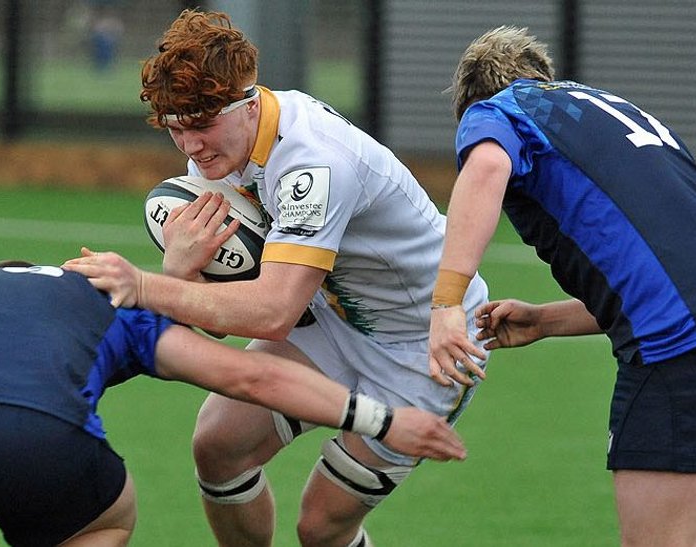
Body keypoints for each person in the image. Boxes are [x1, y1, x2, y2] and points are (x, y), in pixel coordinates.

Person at [62, 9, 492, 547]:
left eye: (200, 124)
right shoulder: (220, 152)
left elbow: (270, 313)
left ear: (247, 101)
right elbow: (223, 318)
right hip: (335, 316)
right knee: (218, 445)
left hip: (424, 340)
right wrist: (181, 268)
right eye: (175, 128)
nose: (190, 146)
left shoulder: (312, 162)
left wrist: (148, 284)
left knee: (321, 527)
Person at [0, 260, 466, 547]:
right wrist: (381, 416)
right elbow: (250, 379)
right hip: (39, 438)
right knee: (106, 518)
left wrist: (175, 270)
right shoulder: (119, 303)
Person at [428, 26, 696, 547]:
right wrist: (546, 320)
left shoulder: (498, 110)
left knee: (654, 532)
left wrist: (447, 304)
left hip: (685, 340)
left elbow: (486, 166)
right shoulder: (610, 112)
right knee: (678, 499)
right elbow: (662, 268)